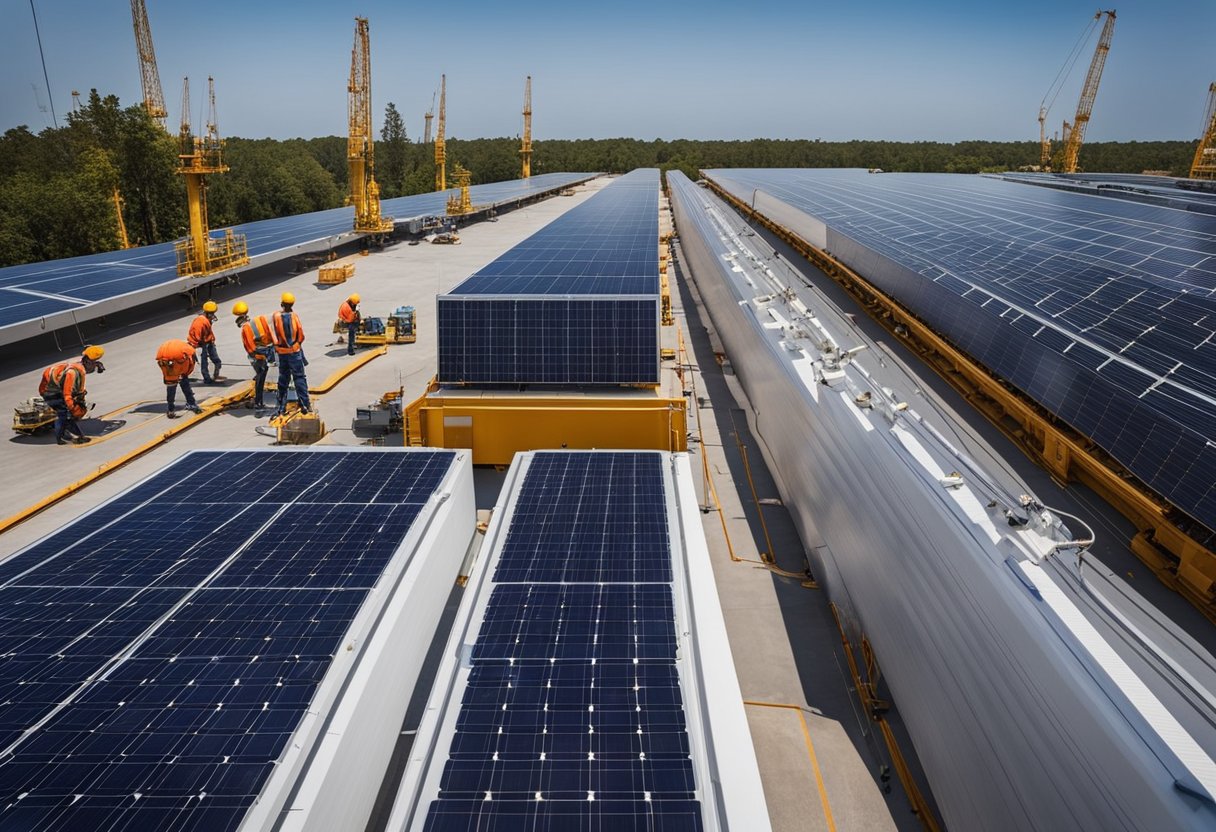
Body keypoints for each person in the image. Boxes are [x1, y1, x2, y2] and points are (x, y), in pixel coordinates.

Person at [39, 345, 105, 445]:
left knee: (73, 410)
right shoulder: (72, 373)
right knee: (64, 414)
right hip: (50, 391)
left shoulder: (81, 362)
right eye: (94, 363)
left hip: (58, 385)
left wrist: (97, 365)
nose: (95, 365)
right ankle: (62, 437)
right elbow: (67, 395)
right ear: (87, 362)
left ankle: (69, 427)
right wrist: (73, 409)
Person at [271, 292, 310, 415]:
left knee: (283, 379)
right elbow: (301, 335)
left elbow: (273, 333)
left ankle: (281, 407)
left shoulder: (276, 316)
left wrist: (277, 347)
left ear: (282, 303)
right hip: (294, 352)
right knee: (299, 378)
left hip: (282, 353)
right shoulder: (294, 316)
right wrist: (297, 344)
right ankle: (304, 404)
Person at [233, 300, 276, 410]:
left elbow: (250, 348)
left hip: (258, 354)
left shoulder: (246, 328)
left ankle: (258, 402)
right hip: (266, 348)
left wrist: (257, 357)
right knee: (261, 373)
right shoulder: (255, 322)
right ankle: (258, 399)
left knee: (261, 376)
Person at [156, 339, 203, 418]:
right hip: (174, 361)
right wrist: (184, 375)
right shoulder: (190, 351)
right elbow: (190, 366)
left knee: (171, 386)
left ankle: (171, 410)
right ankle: (191, 404)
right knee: (184, 384)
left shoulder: (182, 347)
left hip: (163, 359)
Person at [187, 300, 224, 384]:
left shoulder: (206, 320)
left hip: (208, 343)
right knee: (203, 363)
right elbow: (197, 337)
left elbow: (208, 332)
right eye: (212, 313)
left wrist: (211, 341)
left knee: (216, 361)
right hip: (199, 345)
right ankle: (207, 379)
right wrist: (201, 347)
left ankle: (215, 376)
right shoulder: (200, 322)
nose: (213, 315)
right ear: (208, 313)